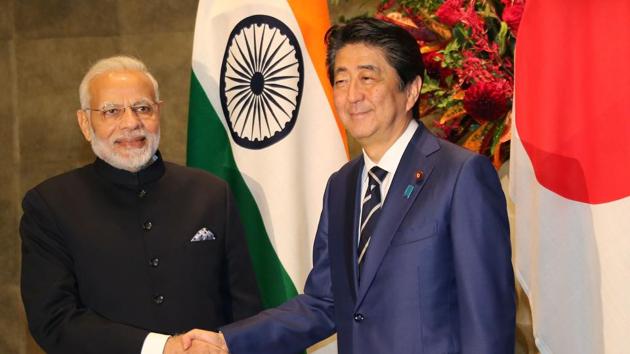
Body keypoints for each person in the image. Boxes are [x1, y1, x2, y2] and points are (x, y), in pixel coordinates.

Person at [182, 17, 515, 354]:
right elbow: (324, 301)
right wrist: (228, 341)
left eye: (368, 78)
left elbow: (486, 315)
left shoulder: (461, 174)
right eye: (341, 81)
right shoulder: (342, 185)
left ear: (411, 90)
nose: (353, 95)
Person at [19, 56, 261, 354]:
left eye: (143, 108)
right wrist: (161, 348)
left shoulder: (211, 194)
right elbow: (53, 320)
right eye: (111, 111)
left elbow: (246, 309)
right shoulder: (50, 205)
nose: (131, 123)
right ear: (85, 122)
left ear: (158, 113)